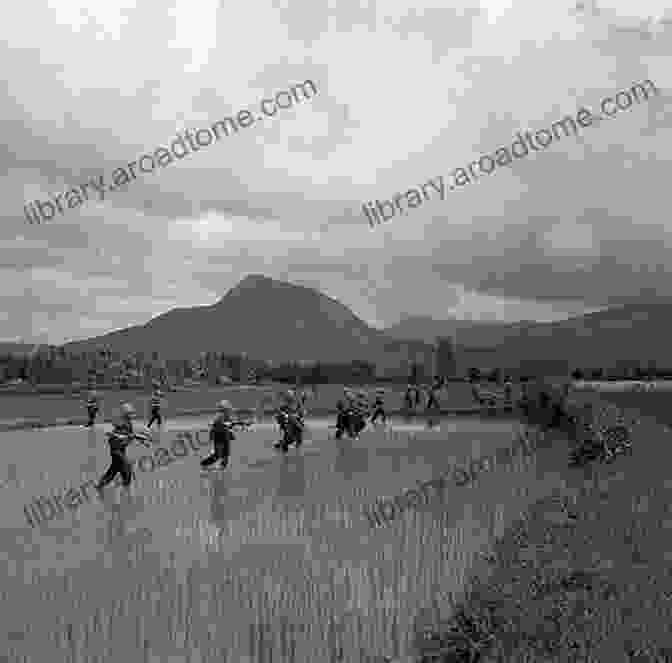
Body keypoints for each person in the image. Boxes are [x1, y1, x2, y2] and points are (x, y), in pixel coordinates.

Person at [97, 403, 149, 491]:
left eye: (132, 413)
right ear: (125, 414)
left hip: (121, 449)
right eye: (130, 413)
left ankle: (101, 486)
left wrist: (142, 440)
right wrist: (136, 437)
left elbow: (130, 435)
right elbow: (122, 435)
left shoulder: (128, 423)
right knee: (126, 467)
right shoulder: (121, 423)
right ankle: (126, 490)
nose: (132, 415)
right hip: (116, 450)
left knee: (114, 470)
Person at [201, 400, 236, 469]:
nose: (229, 410)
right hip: (218, 436)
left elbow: (230, 425)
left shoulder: (228, 416)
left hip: (225, 435)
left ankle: (223, 465)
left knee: (226, 452)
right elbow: (215, 425)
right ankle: (204, 463)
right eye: (227, 408)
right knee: (218, 454)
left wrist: (231, 432)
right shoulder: (219, 416)